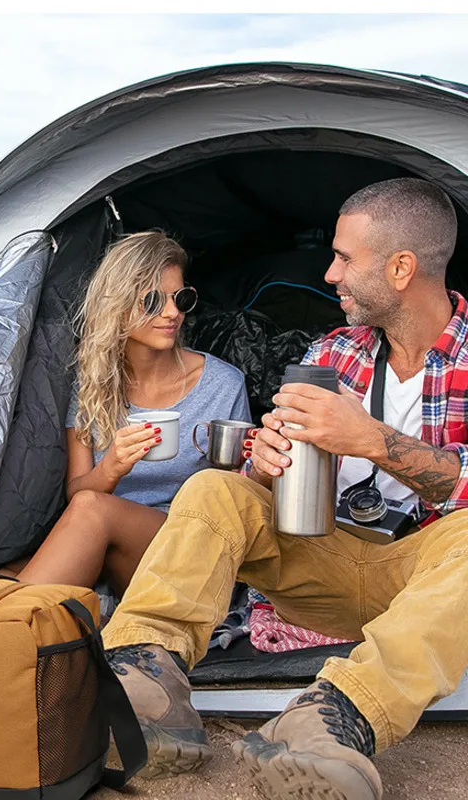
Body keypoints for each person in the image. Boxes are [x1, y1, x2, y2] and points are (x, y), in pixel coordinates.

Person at [101, 178, 468, 797]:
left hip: (431, 580)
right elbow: (268, 480)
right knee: (218, 491)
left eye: (345, 257)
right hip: (325, 560)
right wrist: (265, 464)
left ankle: (333, 719)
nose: (329, 274)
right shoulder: (335, 353)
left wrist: (372, 439)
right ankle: (145, 687)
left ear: (402, 267)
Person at [14, 231, 251, 602]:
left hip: (190, 552)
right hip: (114, 554)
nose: (172, 313)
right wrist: (111, 468)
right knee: (2, 576)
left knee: (90, 513)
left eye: (181, 298)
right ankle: (1, 630)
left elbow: (240, 499)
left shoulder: (223, 384)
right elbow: (76, 490)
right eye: (153, 301)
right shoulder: (91, 383)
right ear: (117, 306)